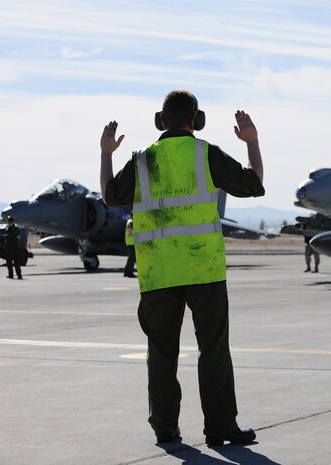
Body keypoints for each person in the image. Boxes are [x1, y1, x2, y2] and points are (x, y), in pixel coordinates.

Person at [99, 90, 264, 446]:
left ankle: (165, 429)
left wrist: (105, 154)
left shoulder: (143, 160)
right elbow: (254, 184)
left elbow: (110, 195)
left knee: (161, 354)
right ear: (196, 120)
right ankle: (221, 428)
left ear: (161, 121)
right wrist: (252, 141)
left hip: (158, 272)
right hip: (204, 269)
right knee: (214, 350)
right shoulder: (207, 154)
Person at [3, 216, 22, 280]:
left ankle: (19, 275)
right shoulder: (7, 228)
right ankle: (10, 275)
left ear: (12, 221)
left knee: (16, 263)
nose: (9, 222)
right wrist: (7, 236)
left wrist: (7, 236)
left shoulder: (16, 228)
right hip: (8, 248)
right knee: (9, 263)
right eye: (8, 221)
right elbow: (4, 236)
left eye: (10, 221)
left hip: (14, 248)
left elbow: (12, 235)